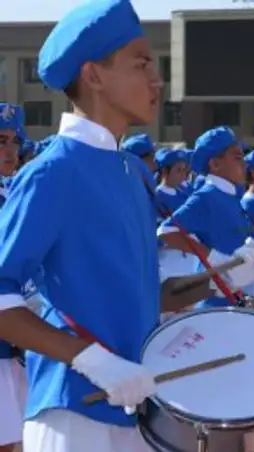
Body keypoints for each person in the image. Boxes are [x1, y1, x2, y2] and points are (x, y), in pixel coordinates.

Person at [0, 2, 191, 450]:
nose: (156, 80)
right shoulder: (53, 171)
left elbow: (125, 292)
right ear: (93, 76)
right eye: (141, 64)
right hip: (74, 412)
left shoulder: (132, 171)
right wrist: (89, 359)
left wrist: (221, 278)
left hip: (136, 404)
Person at [157, 126, 254, 310]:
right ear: (215, 164)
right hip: (213, 300)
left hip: (234, 293)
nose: (244, 165)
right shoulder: (206, 196)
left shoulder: (230, 195)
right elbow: (167, 231)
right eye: (237, 158)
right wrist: (213, 257)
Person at [0, 102, 25, 452]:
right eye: (0, 141)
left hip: (22, 333)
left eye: (15, 141)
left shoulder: (17, 191)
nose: (10, 150)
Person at [153, 148, 190, 216]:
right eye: (179, 170)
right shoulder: (158, 197)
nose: (183, 174)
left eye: (184, 170)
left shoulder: (183, 193)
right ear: (165, 171)